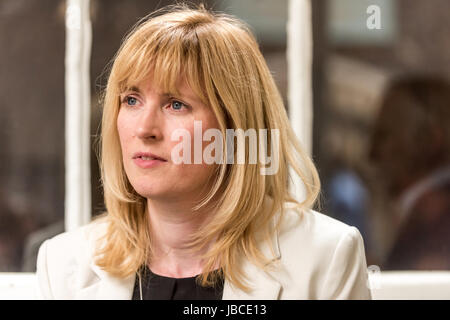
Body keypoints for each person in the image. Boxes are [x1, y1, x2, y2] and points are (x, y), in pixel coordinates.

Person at [35, 4, 371, 300]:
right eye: (132, 100)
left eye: (176, 104)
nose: (144, 129)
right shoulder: (64, 263)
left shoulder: (325, 258)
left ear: (235, 129)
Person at [368, 76, 450, 270]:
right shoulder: (423, 217)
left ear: (429, 140)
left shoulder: (436, 220)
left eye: (384, 135)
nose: (372, 153)